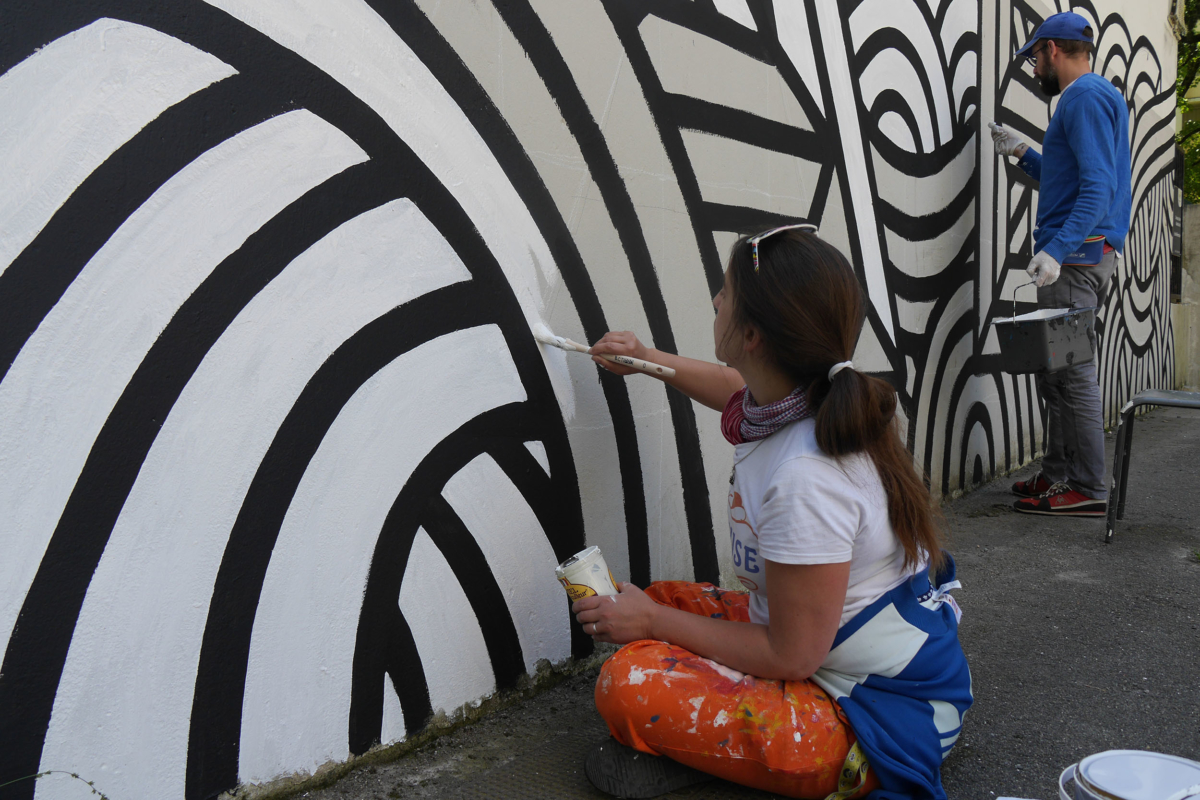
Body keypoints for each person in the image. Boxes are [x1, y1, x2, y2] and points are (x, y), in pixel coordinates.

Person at [573, 225, 972, 800]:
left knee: (628, 682)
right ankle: (715, 748)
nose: (716, 299)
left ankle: (740, 761)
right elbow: (730, 385)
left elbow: (792, 654)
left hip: (876, 719)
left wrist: (654, 627)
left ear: (753, 335)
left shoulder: (805, 477)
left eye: (727, 293)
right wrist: (645, 360)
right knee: (657, 598)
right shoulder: (800, 397)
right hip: (833, 658)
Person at [988, 11, 1131, 517]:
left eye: (1033, 59)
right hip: (1078, 253)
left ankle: (1089, 486)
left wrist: (1057, 248)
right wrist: (1025, 152)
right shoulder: (1094, 97)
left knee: (1071, 372)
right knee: (1054, 371)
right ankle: (1058, 475)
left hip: (1074, 257)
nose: (1032, 71)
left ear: (1051, 49)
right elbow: (1074, 177)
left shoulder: (1085, 97)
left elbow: (1098, 188)